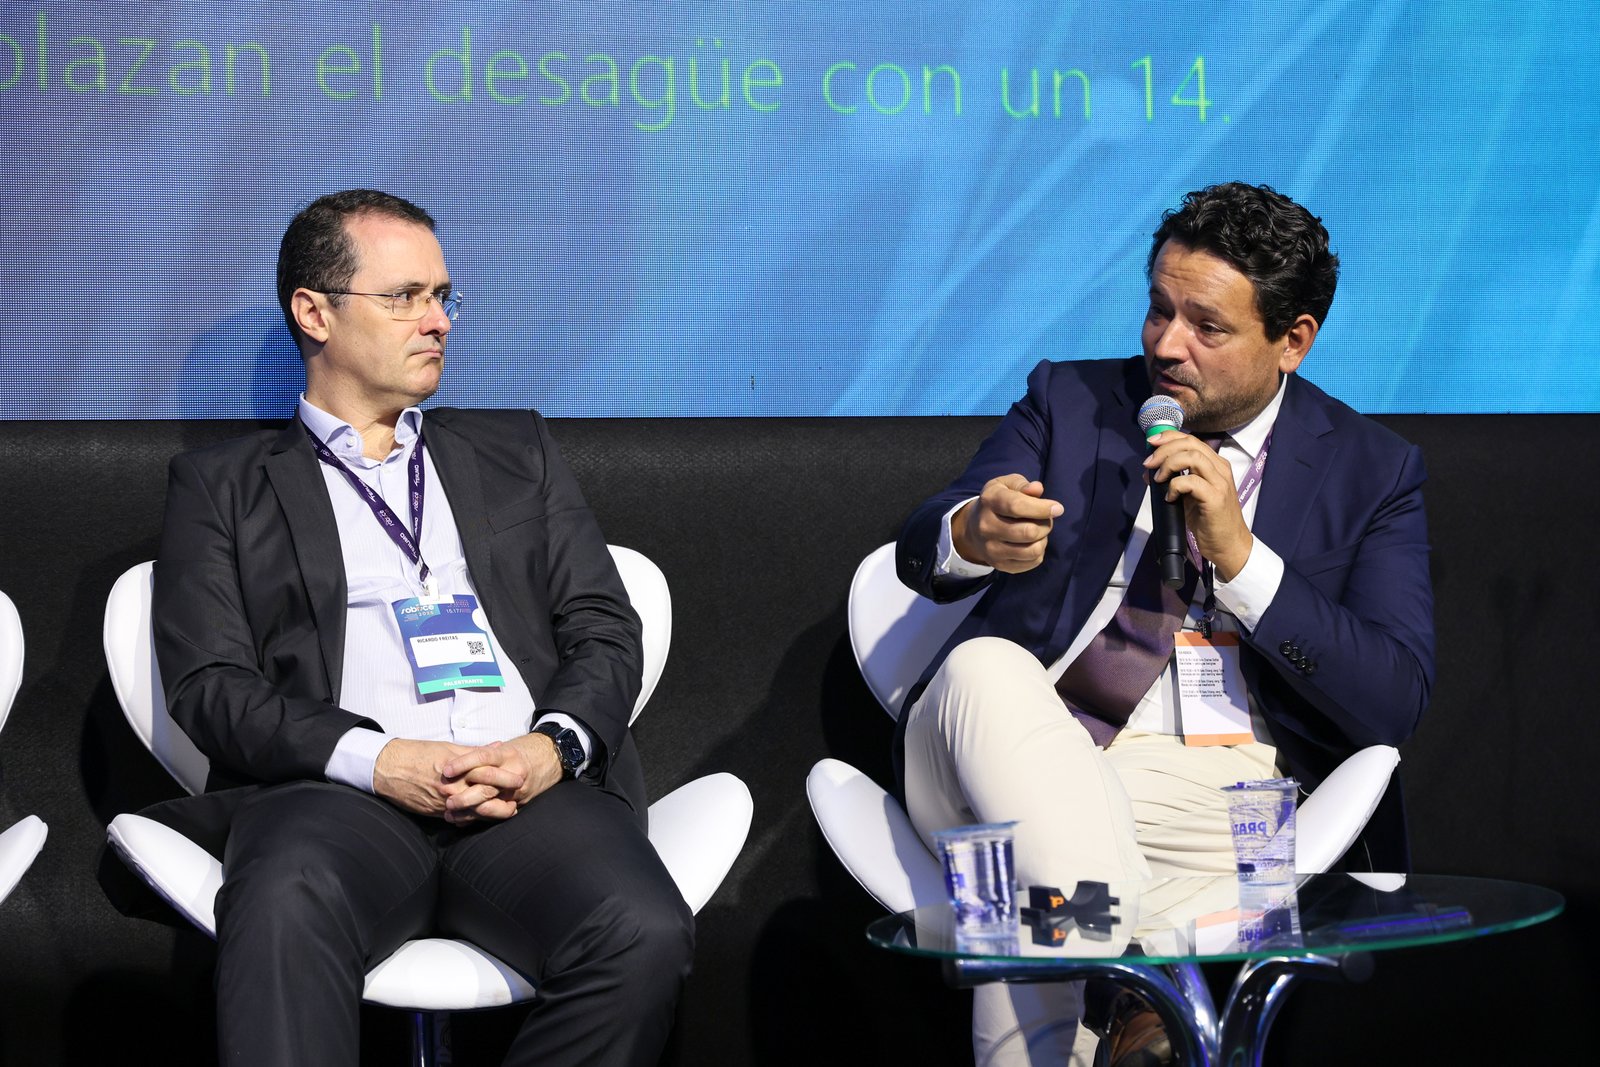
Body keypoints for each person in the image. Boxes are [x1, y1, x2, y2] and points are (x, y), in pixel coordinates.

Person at [142, 189, 692, 1067]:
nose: (438, 321)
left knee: (643, 928)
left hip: (525, 795)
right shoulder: (222, 486)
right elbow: (210, 686)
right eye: (405, 297)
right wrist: (379, 759)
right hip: (335, 801)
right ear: (314, 312)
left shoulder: (516, 451)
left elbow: (603, 626)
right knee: (282, 904)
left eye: (442, 296)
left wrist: (549, 749)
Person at [893, 182, 1434, 1065]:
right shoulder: (1071, 399)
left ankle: (1102, 986)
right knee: (987, 667)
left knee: (1043, 873)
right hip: (1002, 744)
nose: (1166, 345)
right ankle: (1131, 983)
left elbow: (1393, 698)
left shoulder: (1371, 470)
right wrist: (972, 533)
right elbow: (926, 539)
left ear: (1293, 339)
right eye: (1158, 310)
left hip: (1215, 798)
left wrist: (1244, 561)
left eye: (1206, 326)